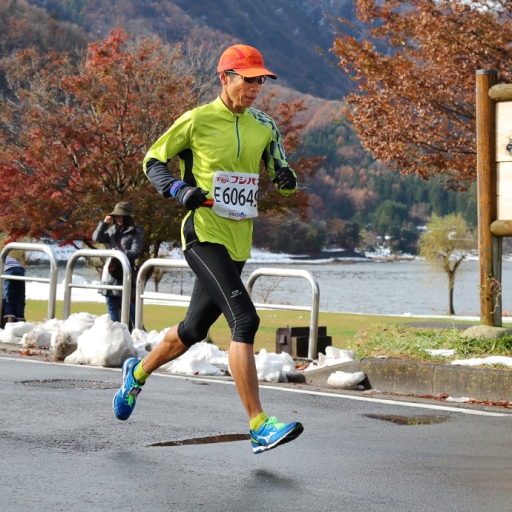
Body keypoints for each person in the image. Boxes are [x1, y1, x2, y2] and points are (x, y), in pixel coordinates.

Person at [112, 44, 303, 454]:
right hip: (202, 234)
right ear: (226, 78)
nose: (256, 87)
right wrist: (178, 189)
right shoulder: (197, 121)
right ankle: (258, 425)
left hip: (238, 241)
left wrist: (286, 179)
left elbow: (280, 166)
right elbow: (153, 160)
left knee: (191, 331)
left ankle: (137, 373)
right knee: (244, 320)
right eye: (248, 79)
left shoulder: (265, 126)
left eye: (261, 81)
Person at [92, 202, 143, 329]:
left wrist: (120, 253)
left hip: (124, 269)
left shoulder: (135, 232)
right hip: (110, 270)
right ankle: (116, 329)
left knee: (125, 302)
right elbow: (96, 238)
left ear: (127, 216)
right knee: (110, 302)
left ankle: (140, 330)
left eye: (122, 216)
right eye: (117, 216)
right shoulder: (111, 230)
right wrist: (104, 223)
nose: (119, 218)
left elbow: (136, 252)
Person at [2, 256, 26, 326]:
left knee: (8, 298)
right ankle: (20, 322)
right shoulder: (6, 255)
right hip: (20, 269)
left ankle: (8, 324)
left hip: (8, 270)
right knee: (19, 297)